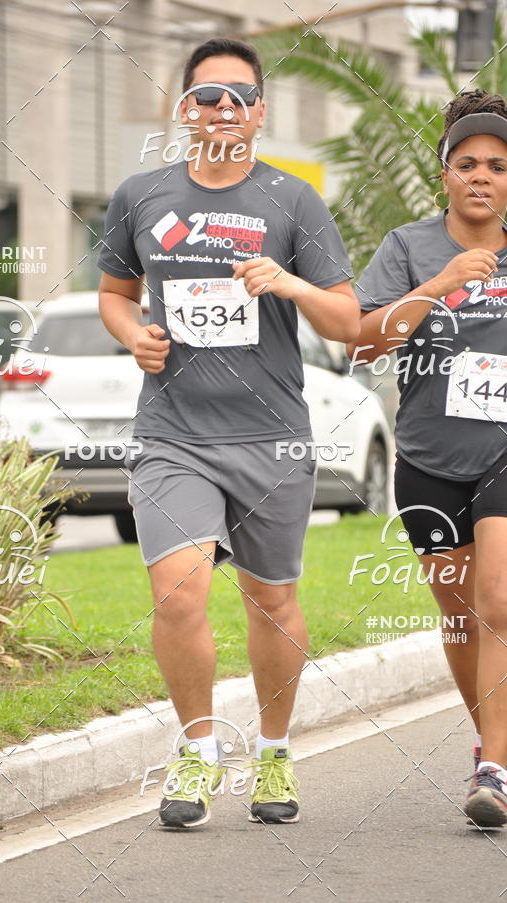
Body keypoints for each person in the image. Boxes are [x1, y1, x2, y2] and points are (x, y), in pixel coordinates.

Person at [97, 37, 359, 828]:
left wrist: (289, 280)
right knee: (177, 592)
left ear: (260, 113)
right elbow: (115, 293)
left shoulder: (293, 201)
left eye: (239, 96)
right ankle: (197, 751)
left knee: (271, 600)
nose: (222, 109)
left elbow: (348, 320)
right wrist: (129, 333)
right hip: (172, 431)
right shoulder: (142, 194)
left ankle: (274, 754)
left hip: (271, 435)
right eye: (207, 95)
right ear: (184, 109)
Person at [348, 89, 507, 829]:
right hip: (428, 459)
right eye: (467, 162)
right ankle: (491, 741)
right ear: (444, 172)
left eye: (499, 166)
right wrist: (437, 288)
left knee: (498, 601)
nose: (482, 176)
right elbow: (363, 340)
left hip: (503, 452)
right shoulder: (408, 247)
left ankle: (494, 770)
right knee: (459, 621)